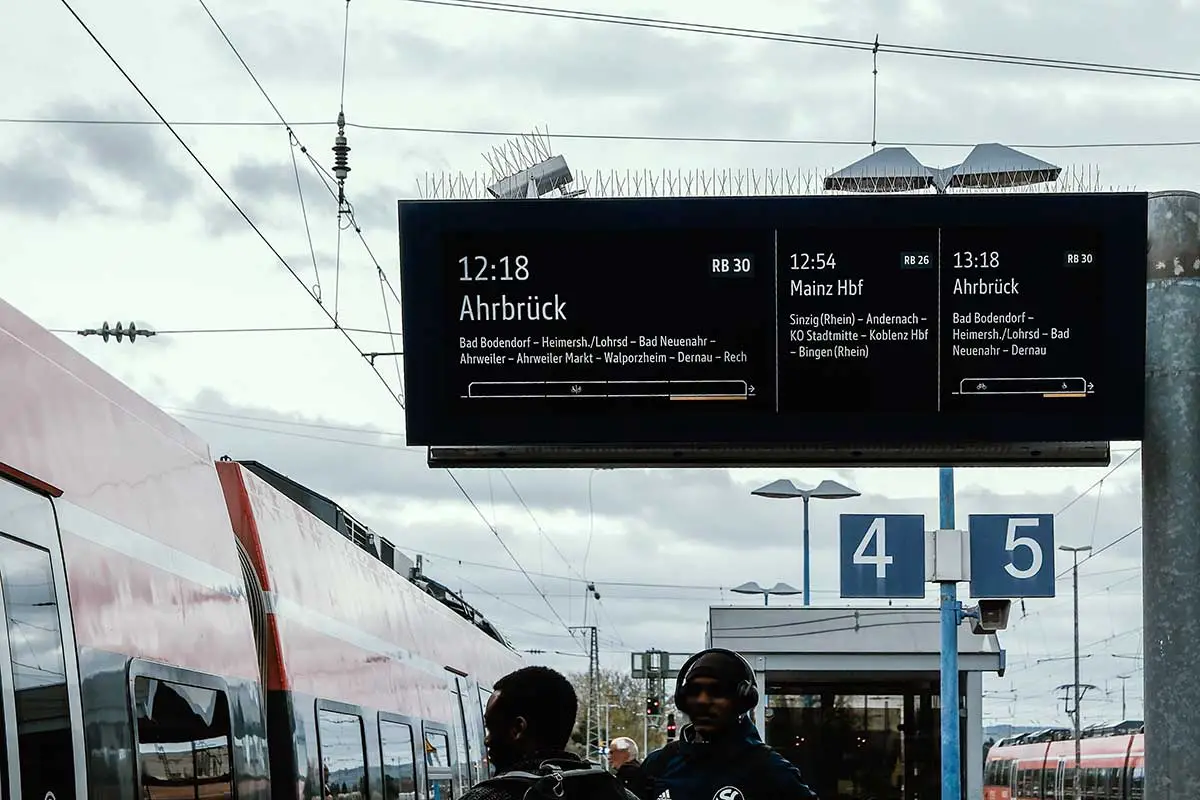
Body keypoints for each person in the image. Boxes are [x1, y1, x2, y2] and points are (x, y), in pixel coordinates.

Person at [637, 648, 818, 800]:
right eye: (694, 691)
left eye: (717, 691)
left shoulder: (769, 769)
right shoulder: (659, 765)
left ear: (741, 700)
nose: (702, 701)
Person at [462, 665, 639, 800]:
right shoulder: (621, 794)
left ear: (518, 728)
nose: (487, 740)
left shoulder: (487, 796)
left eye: (492, 727)